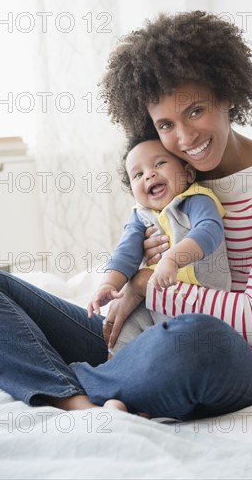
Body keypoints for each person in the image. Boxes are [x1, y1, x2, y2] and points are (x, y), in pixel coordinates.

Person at [0, 11, 252, 420]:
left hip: (234, 353)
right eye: (166, 124)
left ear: (227, 94)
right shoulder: (169, 169)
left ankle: (37, 369)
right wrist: (130, 278)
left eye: (195, 111)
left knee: (192, 339)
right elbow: (135, 248)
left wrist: (143, 283)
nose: (185, 138)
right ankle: (74, 396)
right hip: (139, 338)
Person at [89, 136, 231, 355]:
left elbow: (209, 230)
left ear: (188, 173)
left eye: (159, 164)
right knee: (121, 333)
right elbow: (125, 253)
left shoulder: (195, 200)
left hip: (198, 303)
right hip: (152, 300)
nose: (149, 174)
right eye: (138, 174)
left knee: (177, 345)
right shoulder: (140, 216)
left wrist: (173, 259)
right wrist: (108, 285)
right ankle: (113, 371)